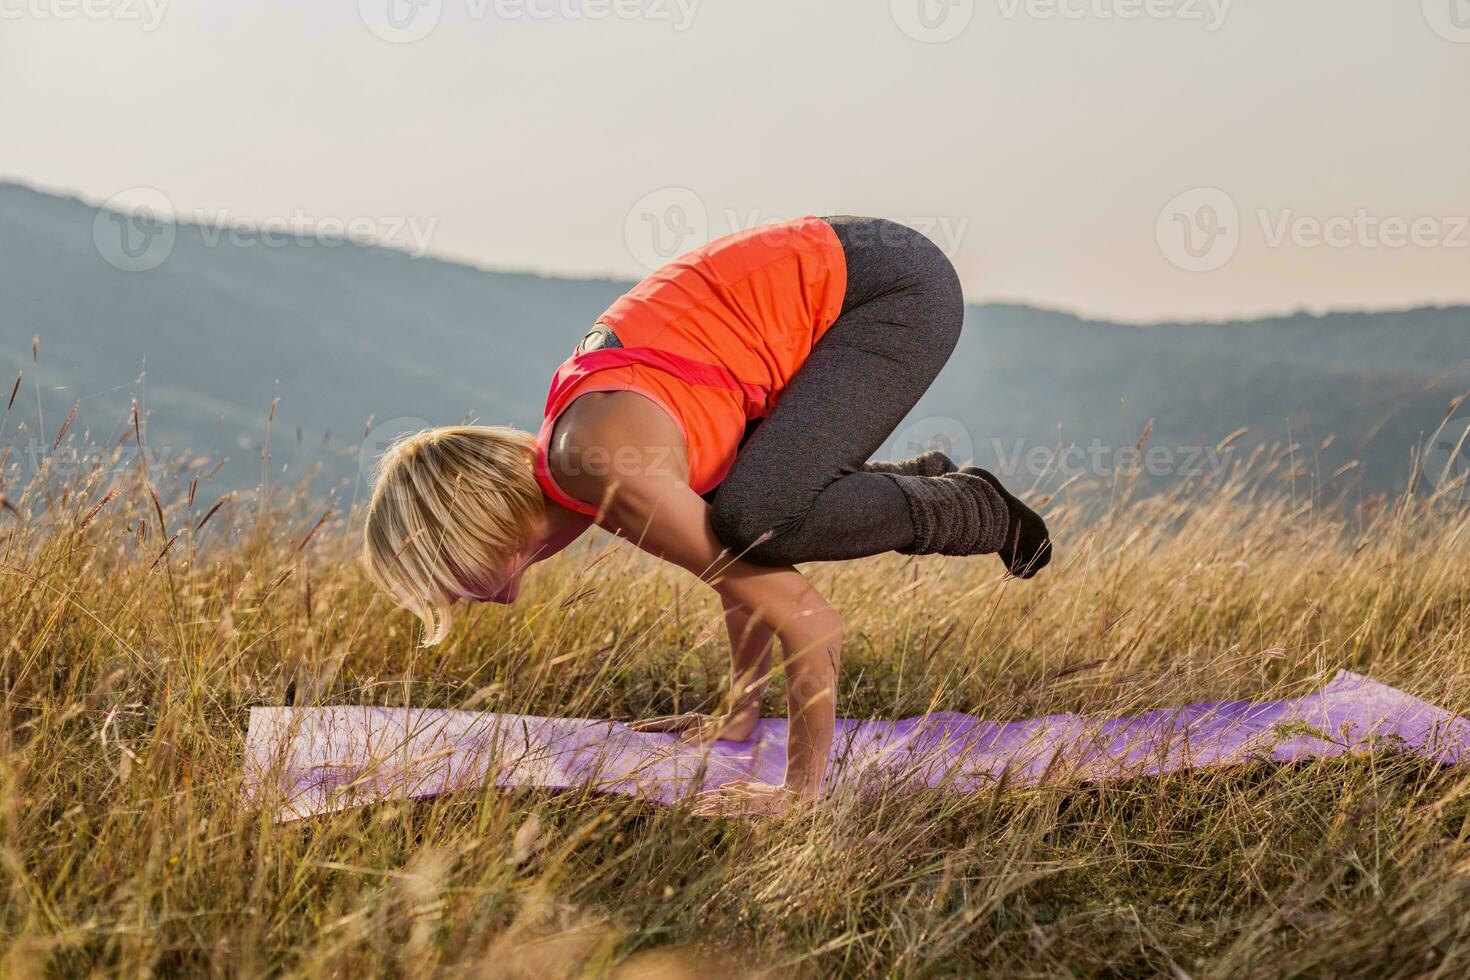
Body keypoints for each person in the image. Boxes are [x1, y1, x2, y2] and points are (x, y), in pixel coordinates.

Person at [362, 216, 1052, 815]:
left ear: (469, 533)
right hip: (859, 275)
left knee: (761, 517)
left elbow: (806, 617)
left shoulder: (599, 466)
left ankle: (971, 509)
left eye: (440, 574)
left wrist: (798, 797)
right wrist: (739, 711)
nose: (450, 596)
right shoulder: (582, 465)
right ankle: (914, 488)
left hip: (888, 290)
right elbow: (737, 570)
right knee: (747, 516)